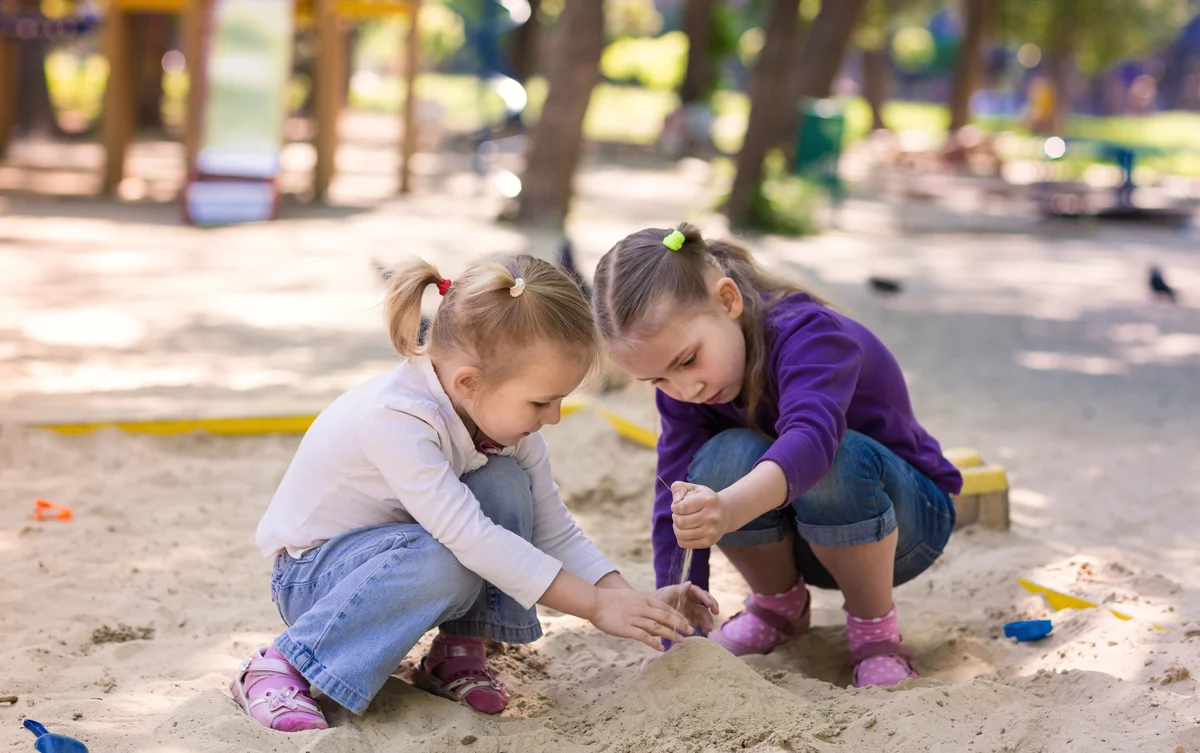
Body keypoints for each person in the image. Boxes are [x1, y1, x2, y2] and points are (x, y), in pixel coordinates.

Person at [234, 254, 717, 731]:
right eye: (542, 401)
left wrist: (627, 602)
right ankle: (283, 662)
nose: (553, 417)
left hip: (401, 561)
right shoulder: (398, 419)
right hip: (318, 581)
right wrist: (592, 606)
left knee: (505, 483)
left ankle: (459, 650)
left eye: (561, 400)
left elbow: (554, 528)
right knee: (450, 559)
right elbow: (471, 538)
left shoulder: (508, 427)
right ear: (469, 381)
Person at [592, 224, 961, 687]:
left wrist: (727, 509)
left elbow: (811, 441)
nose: (685, 389)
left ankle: (876, 632)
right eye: (658, 380)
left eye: (687, 361)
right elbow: (674, 492)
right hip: (808, 537)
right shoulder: (686, 394)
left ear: (727, 301)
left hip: (908, 527)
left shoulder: (810, 335)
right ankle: (777, 606)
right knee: (718, 458)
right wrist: (678, 618)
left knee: (834, 458)